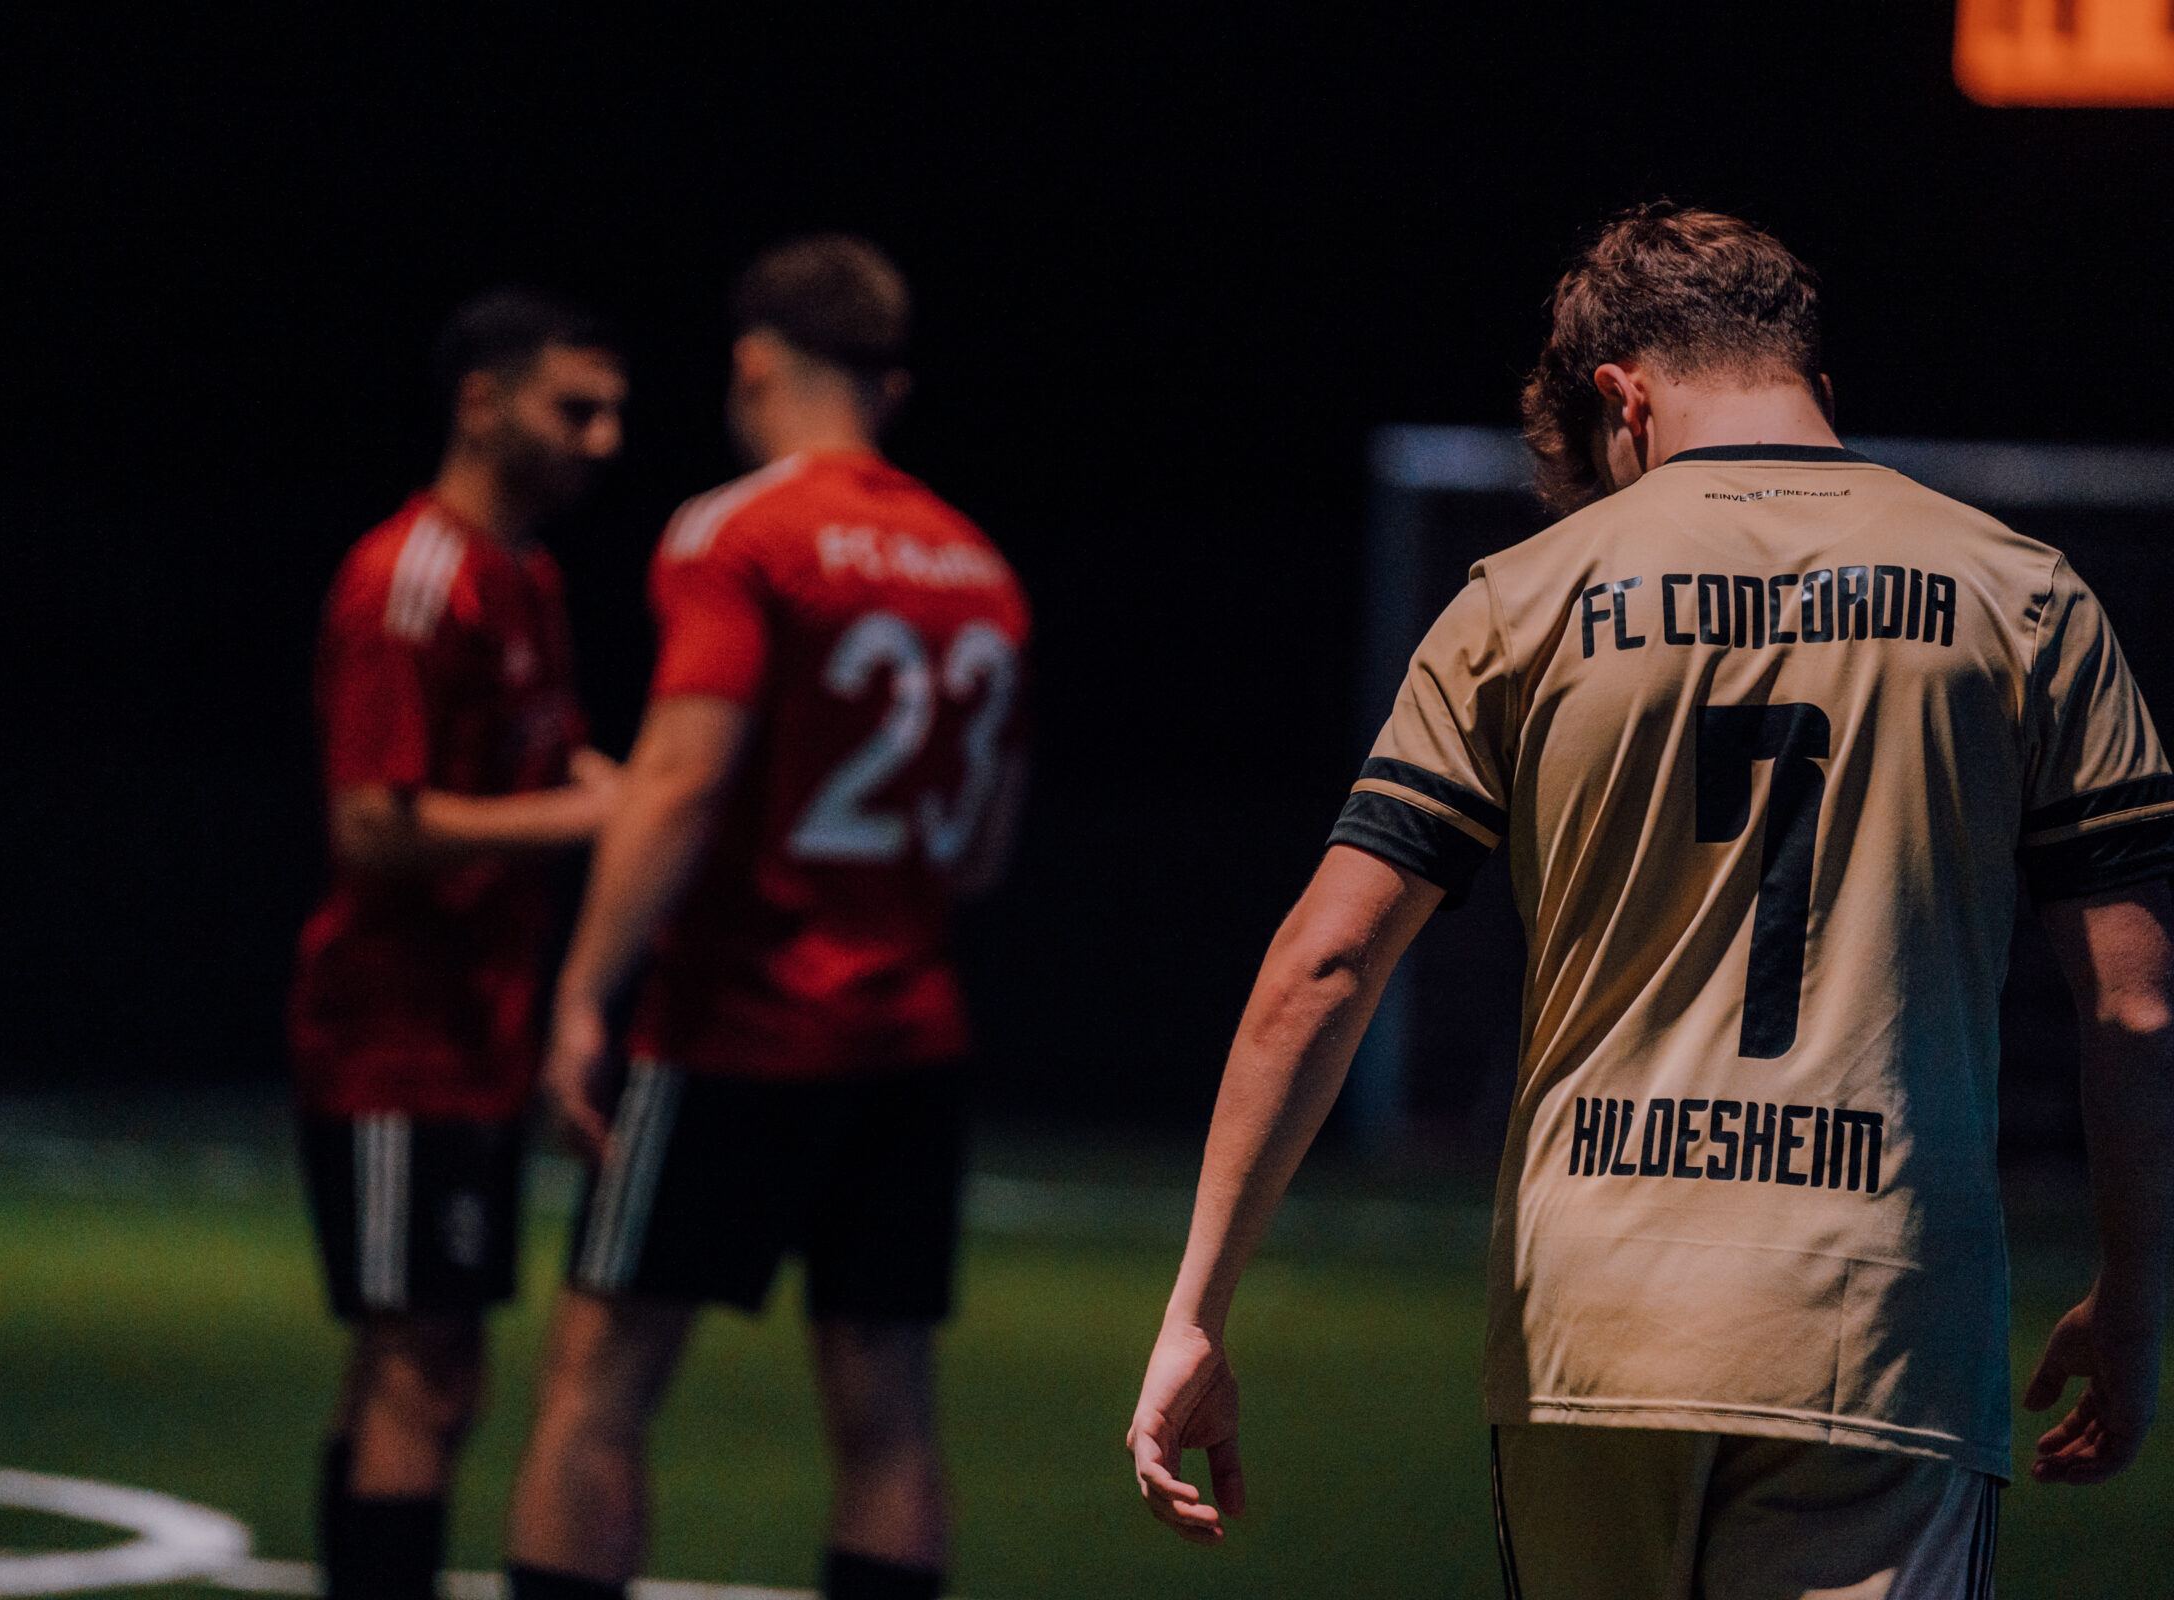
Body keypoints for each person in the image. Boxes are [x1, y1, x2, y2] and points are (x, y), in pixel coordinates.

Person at [1128, 206, 2174, 1597]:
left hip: (1594, 1321)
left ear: (1624, 400)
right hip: (1880, 1316)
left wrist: (1197, 1310)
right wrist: (2134, 1299)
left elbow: (1326, 961)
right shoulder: (2027, 598)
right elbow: (2136, 1008)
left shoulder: (1524, 598)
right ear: (1811, 383)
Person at [502, 235, 1029, 1600]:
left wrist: (582, 994)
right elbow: (981, 851)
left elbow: (680, 780)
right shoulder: (980, 567)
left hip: (736, 1020)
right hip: (908, 1033)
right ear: (889, 386)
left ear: (751, 363)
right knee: (889, 1412)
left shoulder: (740, 532)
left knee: (598, 1388)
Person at [289, 288, 629, 1600]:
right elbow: (371, 828)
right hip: (394, 1037)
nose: (602, 440)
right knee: (416, 1371)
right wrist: (595, 818)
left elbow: (556, 764)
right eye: (575, 409)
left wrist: (649, 801)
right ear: (481, 404)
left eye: (611, 413)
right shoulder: (410, 580)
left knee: (434, 1367)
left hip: (477, 1031)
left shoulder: (527, 577)